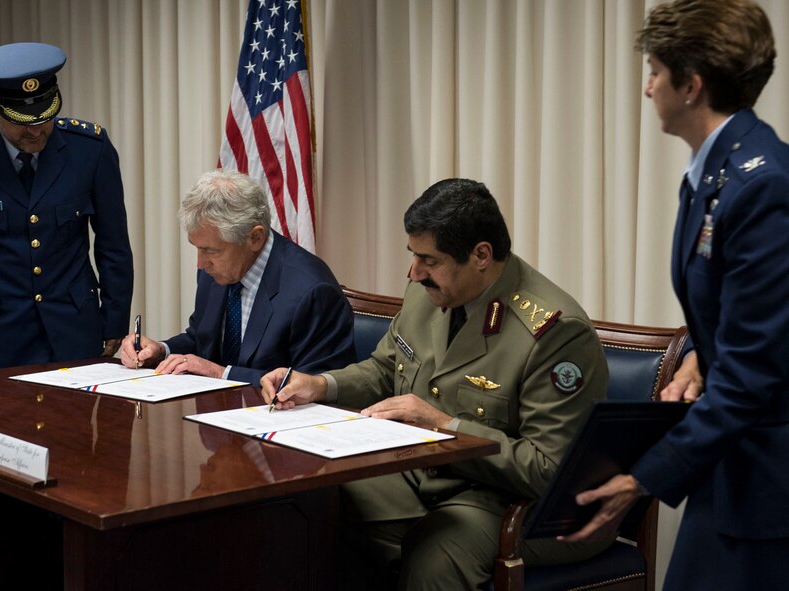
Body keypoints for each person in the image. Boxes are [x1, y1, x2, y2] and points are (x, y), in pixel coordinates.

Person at [261, 178, 611, 590]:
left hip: (512, 501)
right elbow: (385, 370)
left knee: (437, 556)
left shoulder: (552, 332)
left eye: (429, 260)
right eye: (413, 255)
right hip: (424, 473)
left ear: (481, 255)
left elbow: (549, 471)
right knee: (304, 504)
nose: (413, 272)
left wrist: (444, 426)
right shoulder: (429, 292)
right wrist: (322, 385)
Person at [561, 2, 789, 589]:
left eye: (656, 71)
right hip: (728, 464)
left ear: (691, 86)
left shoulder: (761, 186)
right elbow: (731, 310)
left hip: (767, 484)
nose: (646, 87)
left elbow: (753, 371)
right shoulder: (714, 174)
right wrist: (693, 352)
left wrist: (642, 479)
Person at [0, 42, 134, 373]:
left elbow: (114, 245)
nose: (37, 130)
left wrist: (114, 322)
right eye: (23, 121)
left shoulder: (90, 149)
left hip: (74, 331)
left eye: (45, 117)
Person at [120, 169, 355, 386]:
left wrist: (222, 374)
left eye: (211, 251)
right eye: (197, 248)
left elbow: (314, 385)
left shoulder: (311, 291)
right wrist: (162, 350)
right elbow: (202, 339)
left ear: (255, 238)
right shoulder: (216, 271)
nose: (201, 263)